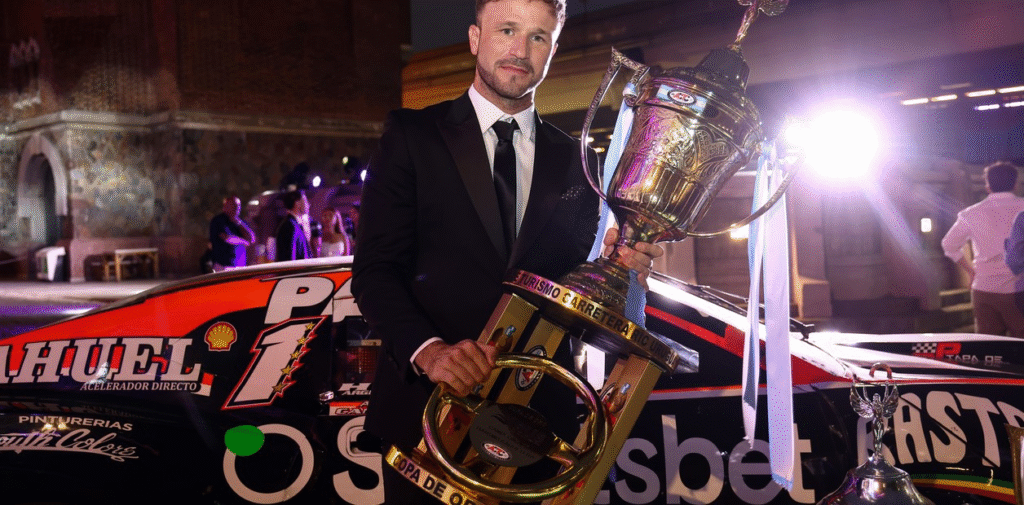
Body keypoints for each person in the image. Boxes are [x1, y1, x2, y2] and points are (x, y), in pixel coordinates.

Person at [351, 0, 663, 502]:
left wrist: (623, 277)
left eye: (538, 37)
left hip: (538, 425)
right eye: (507, 30)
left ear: (553, 49)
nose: (520, 50)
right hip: (426, 417)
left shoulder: (581, 161)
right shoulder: (412, 136)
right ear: (475, 38)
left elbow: (577, 298)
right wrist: (430, 352)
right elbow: (374, 271)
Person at [942, 161, 1024, 338]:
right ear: (1015, 184)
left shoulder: (970, 213)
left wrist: (971, 271)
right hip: (1019, 290)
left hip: (984, 289)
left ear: (988, 186)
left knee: (987, 347)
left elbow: (949, 244)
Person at [208, 195, 255, 271]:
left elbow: (251, 238)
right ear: (225, 206)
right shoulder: (218, 220)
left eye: (238, 205)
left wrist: (239, 223)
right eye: (233, 205)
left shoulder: (240, 222)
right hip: (223, 265)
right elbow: (226, 238)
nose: (236, 208)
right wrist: (244, 242)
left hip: (240, 266)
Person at [274, 189, 312, 261]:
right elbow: (290, 257)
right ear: (297, 203)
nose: (308, 205)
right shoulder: (290, 226)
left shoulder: (294, 224)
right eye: (305, 201)